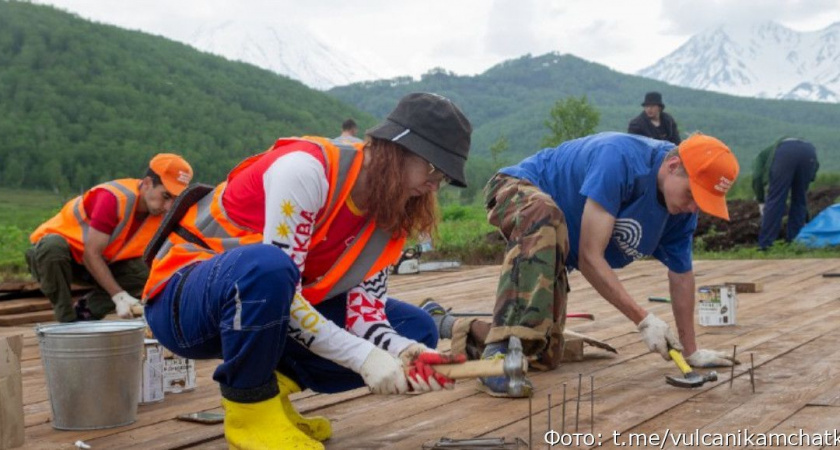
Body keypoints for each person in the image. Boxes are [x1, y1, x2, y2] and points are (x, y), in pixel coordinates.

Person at [142, 93, 472, 449]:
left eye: (445, 178)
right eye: (434, 170)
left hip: (266, 310)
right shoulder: (306, 170)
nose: (434, 186)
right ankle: (249, 408)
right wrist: (364, 357)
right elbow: (281, 289)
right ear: (398, 149)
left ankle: (272, 393)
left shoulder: (392, 214)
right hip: (183, 302)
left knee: (417, 328)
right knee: (269, 266)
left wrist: (405, 351)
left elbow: (366, 315)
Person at [423, 132, 740, 397]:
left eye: (701, 202)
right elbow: (590, 257)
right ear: (672, 166)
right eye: (691, 194)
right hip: (518, 190)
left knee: (542, 354)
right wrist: (644, 320)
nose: (691, 208)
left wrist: (690, 350)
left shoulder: (680, 215)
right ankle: (497, 355)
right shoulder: (620, 159)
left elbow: (682, 277)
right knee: (545, 214)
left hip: (557, 247)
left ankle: (444, 324)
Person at [27, 154, 193, 322]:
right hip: (61, 260)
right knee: (52, 247)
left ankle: (86, 311)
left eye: (175, 199)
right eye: (165, 196)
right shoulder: (113, 198)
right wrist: (118, 295)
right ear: (148, 183)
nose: (168, 206)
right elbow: (91, 254)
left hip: (103, 264)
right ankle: (66, 319)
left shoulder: (162, 213)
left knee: (149, 271)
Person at [753, 137, 819, 250]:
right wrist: (808, 180)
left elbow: (757, 177)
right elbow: (816, 165)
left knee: (776, 199)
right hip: (809, 151)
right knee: (799, 200)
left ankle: (766, 245)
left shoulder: (762, 157)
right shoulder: (770, 151)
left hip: (785, 154)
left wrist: (761, 201)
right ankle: (796, 243)